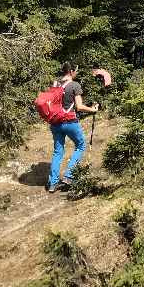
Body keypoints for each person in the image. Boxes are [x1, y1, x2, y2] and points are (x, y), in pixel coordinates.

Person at [47, 62, 99, 193]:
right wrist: (92, 110)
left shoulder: (55, 84)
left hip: (55, 122)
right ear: (71, 71)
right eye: (76, 71)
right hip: (70, 122)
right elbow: (79, 107)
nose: (77, 73)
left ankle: (52, 184)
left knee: (58, 151)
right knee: (81, 145)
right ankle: (68, 176)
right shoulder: (75, 85)